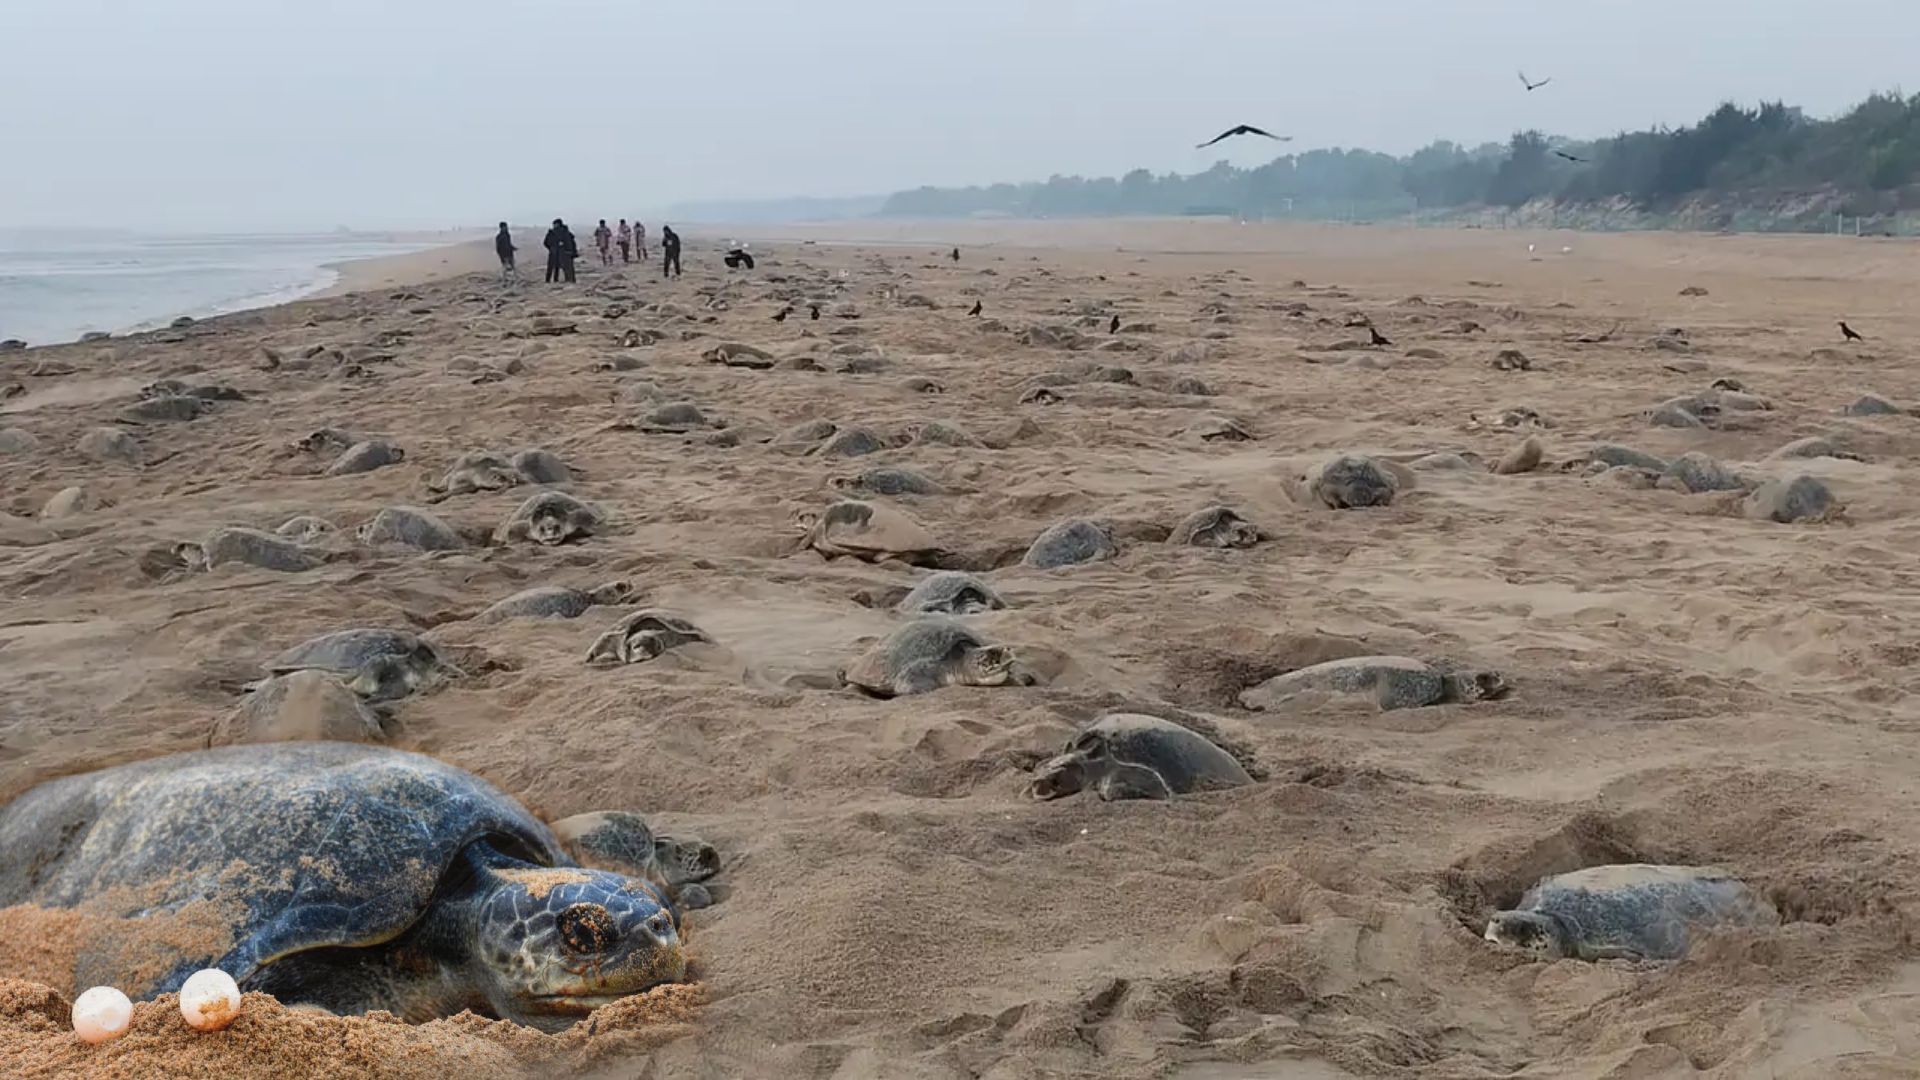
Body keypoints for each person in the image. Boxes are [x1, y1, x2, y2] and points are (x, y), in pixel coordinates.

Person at [543, 218, 578, 284]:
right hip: (563, 253)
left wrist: (551, 248)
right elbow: (572, 243)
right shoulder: (566, 232)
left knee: (554, 268)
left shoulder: (554, 233)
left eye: (555, 224)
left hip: (560, 253)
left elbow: (546, 243)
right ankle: (569, 281)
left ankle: (551, 281)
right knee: (566, 269)